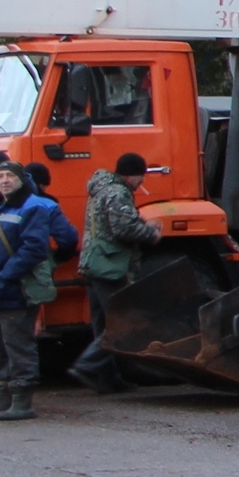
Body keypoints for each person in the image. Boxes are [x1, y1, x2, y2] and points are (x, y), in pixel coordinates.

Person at [0, 159, 74, 422]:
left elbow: (34, 247)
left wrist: (7, 274)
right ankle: (1, 398)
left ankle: (22, 400)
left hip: (14, 288)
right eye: (1, 176)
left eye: (10, 175)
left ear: (23, 180)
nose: (5, 180)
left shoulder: (33, 207)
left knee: (18, 345)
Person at [71, 152, 165, 394]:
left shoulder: (99, 190)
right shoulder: (117, 192)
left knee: (102, 322)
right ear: (129, 174)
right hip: (111, 266)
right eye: (140, 176)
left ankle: (107, 379)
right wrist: (150, 232)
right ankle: (88, 364)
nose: (142, 181)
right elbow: (123, 227)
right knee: (122, 321)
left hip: (94, 264)